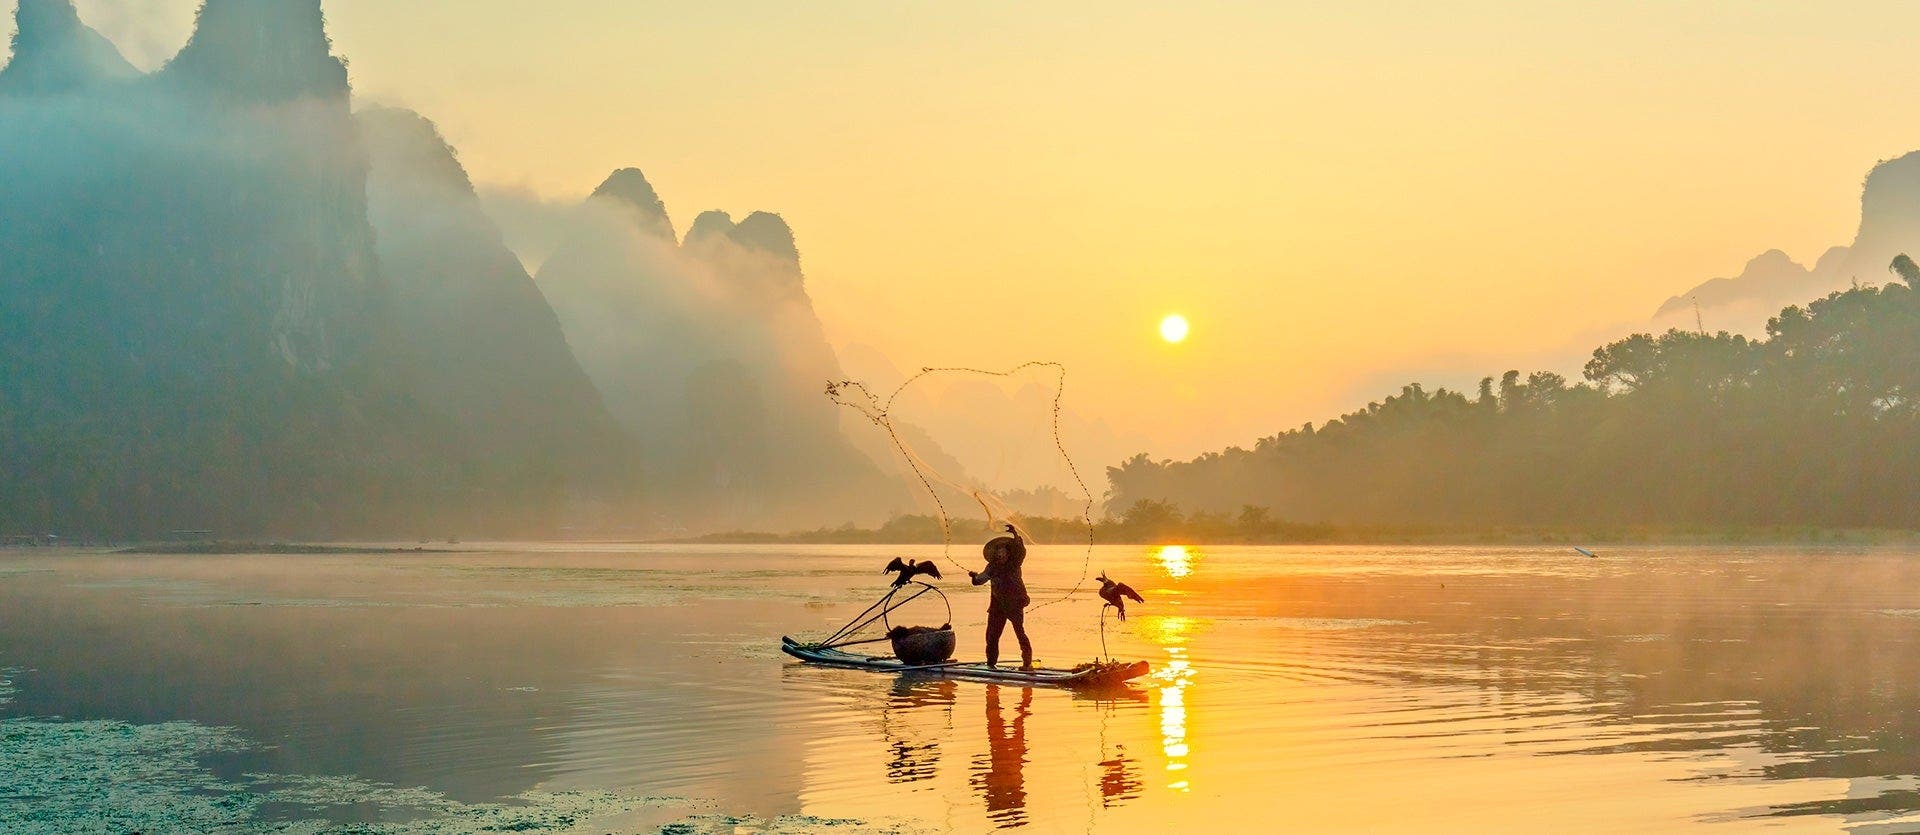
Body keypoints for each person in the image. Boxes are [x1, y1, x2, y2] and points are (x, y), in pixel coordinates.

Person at [969, 524, 1034, 670]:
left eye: (1002, 549)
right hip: (997, 606)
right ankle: (991, 664)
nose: (1000, 552)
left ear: (1007, 552)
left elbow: (1021, 551)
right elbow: (981, 579)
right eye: (998, 549)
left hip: (1015, 603)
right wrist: (974, 577)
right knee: (991, 637)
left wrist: (1015, 535)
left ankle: (1027, 663)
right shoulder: (992, 567)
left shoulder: (1014, 563)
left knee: (1020, 633)